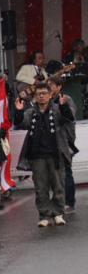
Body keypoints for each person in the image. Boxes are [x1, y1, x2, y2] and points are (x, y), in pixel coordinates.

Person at [13, 81, 75, 227]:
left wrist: (64, 105)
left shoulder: (57, 109)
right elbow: (20, 123)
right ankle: (44, 214)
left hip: (56, 154)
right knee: (41, 187)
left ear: (50, 95)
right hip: (37, 155)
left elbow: (69, 119)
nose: (41, 96)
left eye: (44, 93)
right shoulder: (31, 112)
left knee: (58, 185)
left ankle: (58, 213)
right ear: (34, 96)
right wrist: (19, 111)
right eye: (38, 94)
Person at [47, 76, 79, 214]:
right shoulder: (47, 101)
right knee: (53, 174)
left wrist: (62, 105)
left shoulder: (66, 99)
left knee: (66, 173)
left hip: (64, 142)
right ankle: (58, 201)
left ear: (59, 87)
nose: (49, 88)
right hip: (50, 143)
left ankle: (69, 202)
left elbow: (69, 116)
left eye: (52, 85)